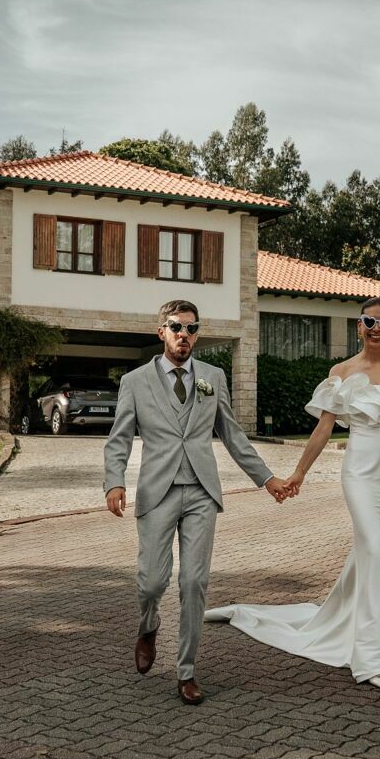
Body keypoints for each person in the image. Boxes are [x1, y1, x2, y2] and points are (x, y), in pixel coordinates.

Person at [206, 299, 380, 688]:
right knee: (374, 544)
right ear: (358, 327)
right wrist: (298, 472)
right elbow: (324, 429)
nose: (376, 328)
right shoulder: (341, 372)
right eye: (368, 321)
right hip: (361, 471)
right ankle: (377, 654)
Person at [102, 300, 292, 705]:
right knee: (151, 581)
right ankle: (148, 626)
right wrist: (113, 481)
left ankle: (186, 671)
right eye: (175, 327)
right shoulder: (135, 381)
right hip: (158, 491)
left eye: (190, 328)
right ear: (162, 333)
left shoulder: (213, 377)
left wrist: (267, 478)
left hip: (202, 491)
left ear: (196, 334)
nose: (183, 335)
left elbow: (233, 435)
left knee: (194, 582)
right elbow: (119, 438)